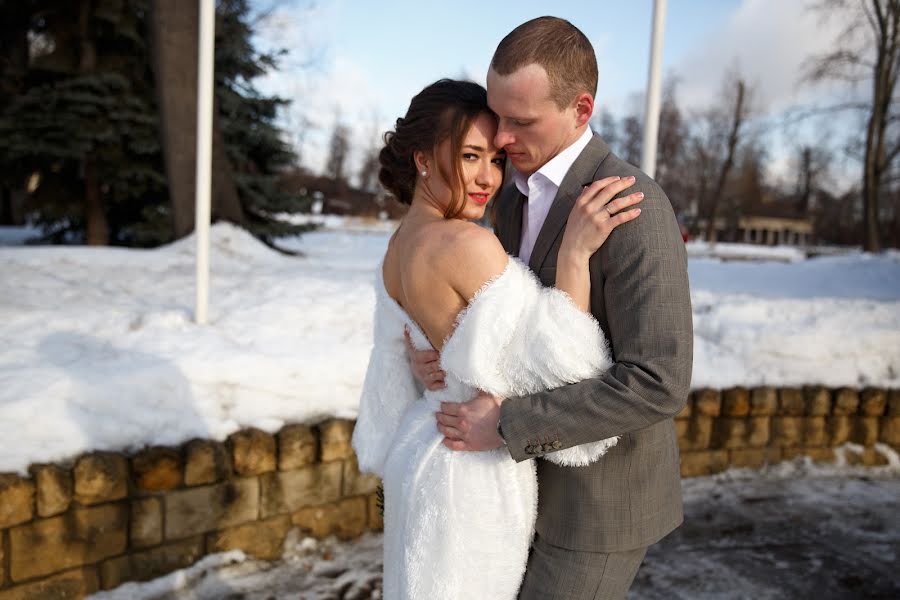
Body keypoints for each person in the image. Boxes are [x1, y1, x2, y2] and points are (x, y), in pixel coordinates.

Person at [409, 17, 694, 600]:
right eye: (497, 116)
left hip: (597, 505)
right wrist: (444, 355)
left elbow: (659, 382)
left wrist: (512, 425)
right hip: (517, 490)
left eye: (521, 121)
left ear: (581, 109)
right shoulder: (513, 194)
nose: (502, 138)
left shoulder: (635, 210)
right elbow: (514, 327)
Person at [351, 78, 643, 599]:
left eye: (495, 159)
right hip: (471, 468)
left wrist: (435, 364)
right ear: (421, 157)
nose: (488, 178)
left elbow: (397, 362)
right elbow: (565, 367)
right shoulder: (468, 243)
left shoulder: (397, 247)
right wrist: (575, 254)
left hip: (421, 449)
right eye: (469, 156)